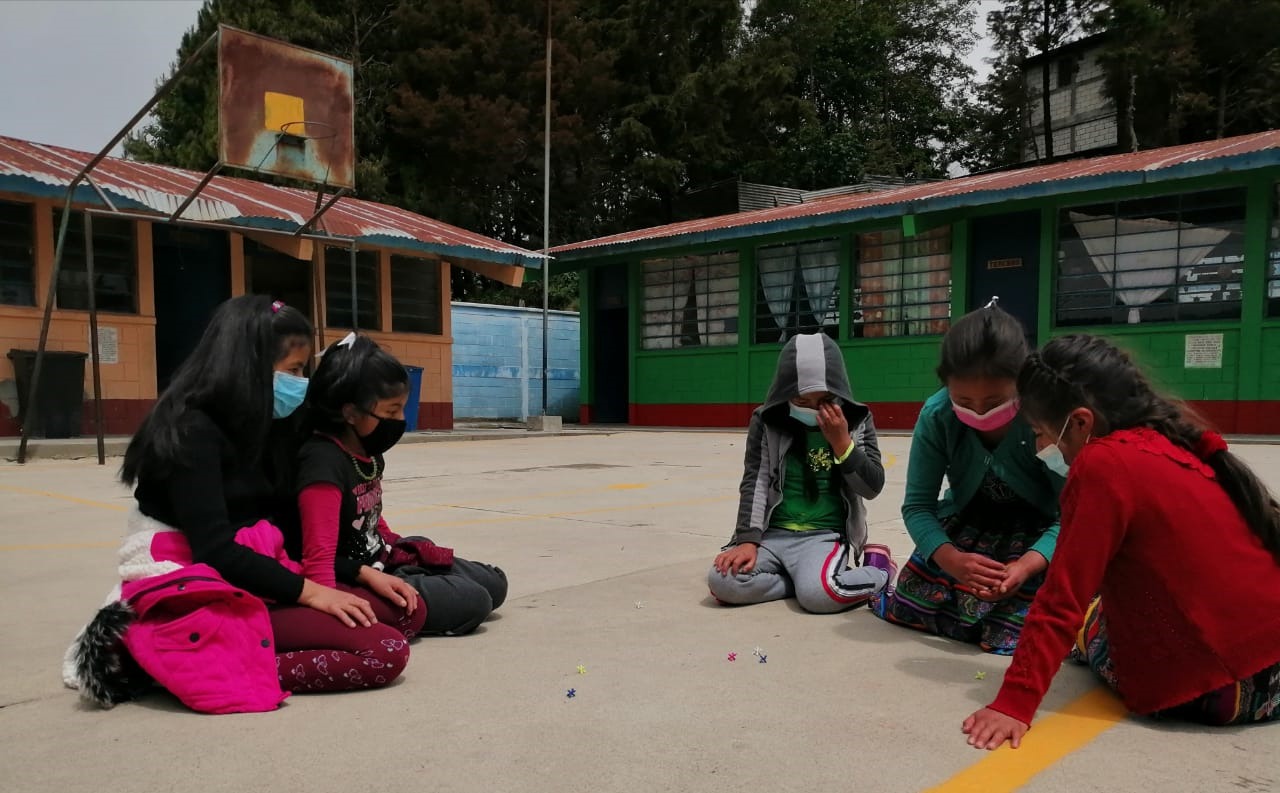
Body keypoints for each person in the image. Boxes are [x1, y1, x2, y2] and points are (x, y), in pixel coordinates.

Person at [66, 296, 423, 710]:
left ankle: (243, 644)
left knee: (405, 612)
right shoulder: (190, 431)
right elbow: (215, 550)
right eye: (292, 370)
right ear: (249, 365)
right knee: (385, 651)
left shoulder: (268, 424)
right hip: (205, 579)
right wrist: (311, 592)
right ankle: (184, 660)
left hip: (262, 569)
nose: (300, 382)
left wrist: (359, 572)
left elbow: (285, 531)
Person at [963, 334, 1280, 750]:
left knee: (1096, 624)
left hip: (1222, 689)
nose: (1042, 447)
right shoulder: (1170, 441)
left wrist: (1013, 703)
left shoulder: (1101, 464)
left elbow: (1062, 601)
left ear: (1080, 422)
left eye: (1042, 433)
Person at [871, 301, 1063, 654]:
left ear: (1022, 383)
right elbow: (918, 507)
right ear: (946, 385)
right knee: (911, 606)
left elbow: (1073, 515)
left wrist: (1025, 566)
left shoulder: (1044, 417)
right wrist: (952, 560)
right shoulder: (938, 415)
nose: (979, 411)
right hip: (968, 530)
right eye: (964, 400)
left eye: (994, 400)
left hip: (1040, 535)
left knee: (1029, 628)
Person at [293, 333, 508, 636]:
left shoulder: (366, 450)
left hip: (382, 559)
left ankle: (421, 576)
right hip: (355, 576)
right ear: (350, 412)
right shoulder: (322, 464)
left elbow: (370, 519)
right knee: (475, 601)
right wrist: (336, 608)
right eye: (391, 411)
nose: (401, 420)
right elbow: (318, 561)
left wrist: (398, 547)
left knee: (495, 583)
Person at [707, 332, 893, 613]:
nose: (815, 410)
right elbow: (754, 482)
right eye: (803, 401)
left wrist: (842, 443)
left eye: (826, 400)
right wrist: (747, 540)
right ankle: (800, 581)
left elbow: (871, 486)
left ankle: (879, 571)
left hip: (822, 536)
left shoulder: (856, 420)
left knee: (820, 597)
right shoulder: (767, 421)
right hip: (773, 535)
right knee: (724, 581)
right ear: (785, 394)